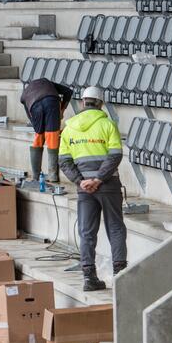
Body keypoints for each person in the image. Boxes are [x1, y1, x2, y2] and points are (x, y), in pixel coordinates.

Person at [58, 86, 127, 291]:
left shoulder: (69, 128)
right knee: (115, 228)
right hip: (108, 185)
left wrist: (81, 181)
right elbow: (115, 155)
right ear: (101, 104)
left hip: (84, 188)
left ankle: (89, 278)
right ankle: (120, 276)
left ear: (82, 103)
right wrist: (98, 179)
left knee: (86, 232)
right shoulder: (108, 124)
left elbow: (64, 161)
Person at [20, 77, 73, 183]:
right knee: (52, 138)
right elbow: (68, 91)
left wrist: (40, 129)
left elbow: (32, 119)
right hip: (52, 102)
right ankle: (53, 176)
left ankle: (36, 176)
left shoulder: (24, 96)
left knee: (39, 137)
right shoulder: (47, 83)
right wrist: (61, 110)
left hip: (34, 105)